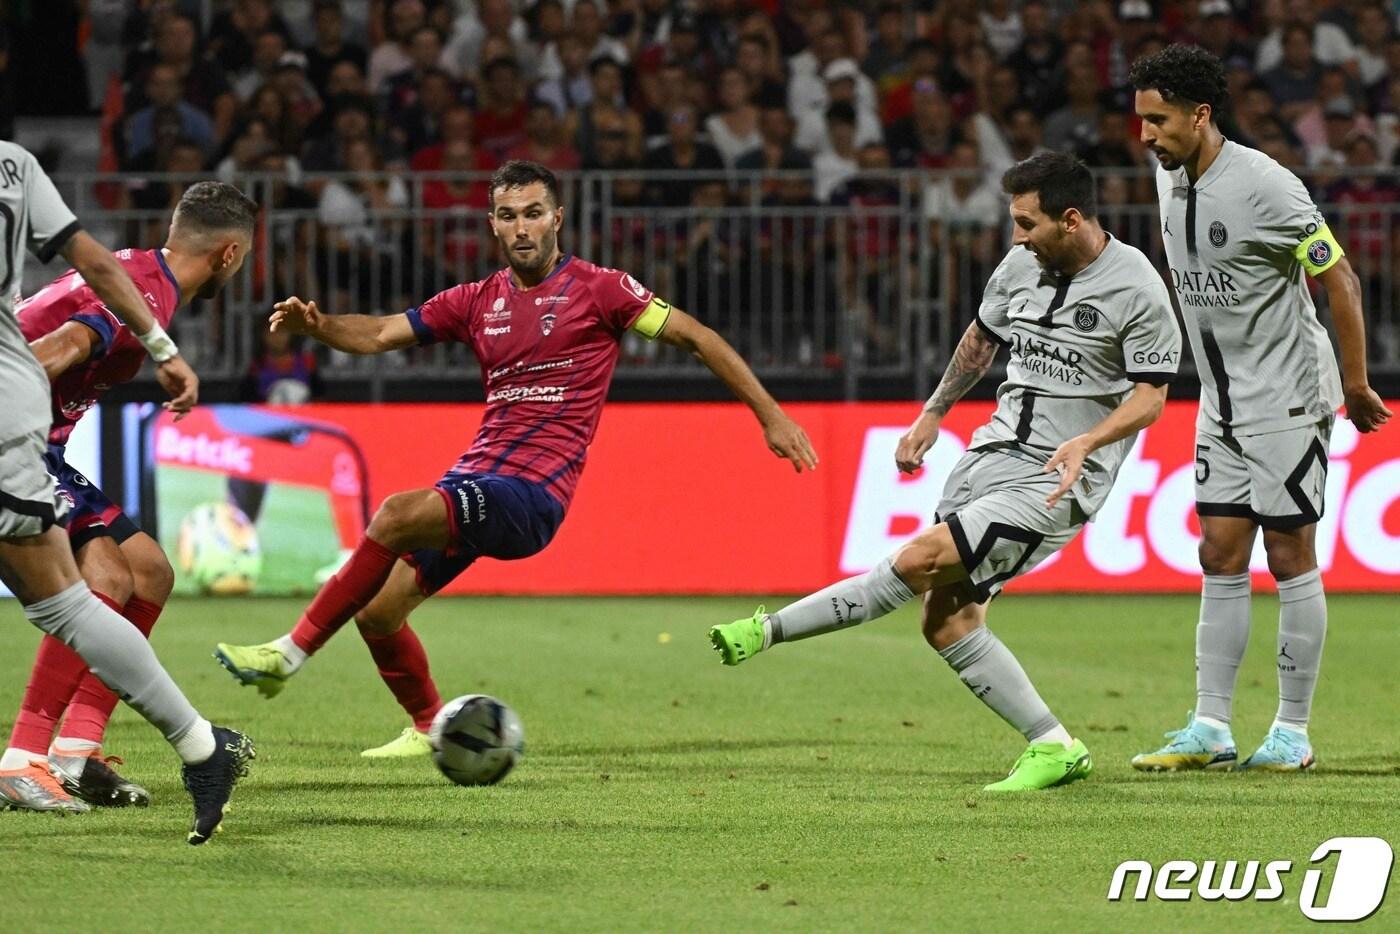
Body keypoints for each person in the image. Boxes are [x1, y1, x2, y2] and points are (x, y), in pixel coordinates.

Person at [213, 160, 817, 757]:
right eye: (509, 216)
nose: (522, 227)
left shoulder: (602, 289)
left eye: (533, 213)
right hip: (478, 479)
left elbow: (696, 336)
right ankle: (429, 726)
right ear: (493, 225)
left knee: (396, 513)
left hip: (532, 497)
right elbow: (377, 334)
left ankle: (287, 653)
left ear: (557, 218)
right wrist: (320, 327)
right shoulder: (476, 300)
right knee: (379, 612)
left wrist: (771, 414)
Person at [709, 151, 1182, 792]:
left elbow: (1152, 396)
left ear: (1071, 220)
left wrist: (1090, 440)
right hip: (990, 454)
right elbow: (981, 338)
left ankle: (768, 630)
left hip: (1058, 479)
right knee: (947, 621)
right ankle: (1054, 744)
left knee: (920, 559)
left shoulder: (1137, 287)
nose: (1017, 236)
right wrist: (932, 414)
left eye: (1027, 223)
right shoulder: (1022, 265)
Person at [1129, 45, 1390, 773]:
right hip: (1221, 400)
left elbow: (1339, 276)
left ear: (1201, 115)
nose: (1146, 136)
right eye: (1142, 121)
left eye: (1159, 120)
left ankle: (1293, 732)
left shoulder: (1268, 185)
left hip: (1287, 396)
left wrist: (1356, 380)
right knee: (1218, 551)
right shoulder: (1167, 173)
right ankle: (1211, 727)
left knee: (1288, 552)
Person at [0, 142, 253, 843]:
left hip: (39, 441)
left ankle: (76, 752)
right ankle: (24, 756)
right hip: (19, 439)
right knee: (103, 577)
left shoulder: (142, 274)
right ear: (229, 257)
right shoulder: (146, 293)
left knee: (149, 571)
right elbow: (60, 352)